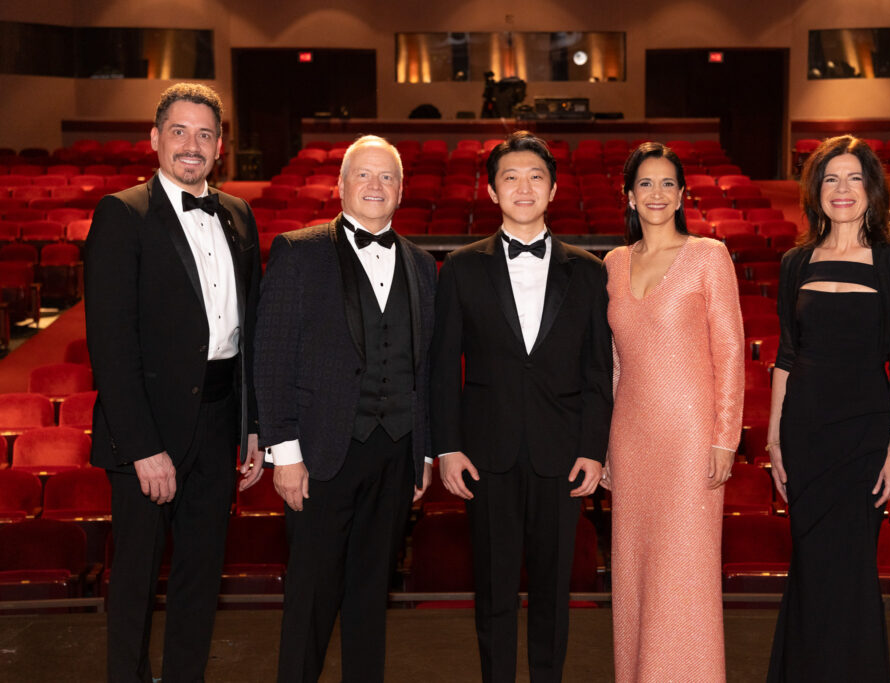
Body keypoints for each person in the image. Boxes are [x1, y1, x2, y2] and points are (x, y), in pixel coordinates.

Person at [84, 83, 263, 682]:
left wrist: (253, 427)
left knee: (200, 573)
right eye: (180, 132)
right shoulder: (121, 213)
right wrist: (142, 447)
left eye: (205, 134)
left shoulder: (238, 214)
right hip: (148, 429)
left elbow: (250, 335)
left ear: (220, 147)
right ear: (155, 139)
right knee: (134, 577)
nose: (192, 146)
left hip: (218, 423)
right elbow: (110, 345)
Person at [430, 130, 613, 683]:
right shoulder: (460, 267)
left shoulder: (589, 270)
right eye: (510, 176)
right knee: (493, 591)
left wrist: (593, 449)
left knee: (556, 591)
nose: (524, 186)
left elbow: (597, 372)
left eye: (536, 175)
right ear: (491, 192)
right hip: (486, 454)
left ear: (553, 189)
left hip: (562, 456)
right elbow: (442, 367)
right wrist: (447, 447)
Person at [254, 135, 436, 683]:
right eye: (364, 175)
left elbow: (423, 369)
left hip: (395, 453)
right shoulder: (298, 251)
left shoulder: (424, 266)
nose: (375, 186)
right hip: (318, 455)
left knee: (369, 596)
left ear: (401, 191)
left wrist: (422, 453)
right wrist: (283, 454)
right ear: (340, 185)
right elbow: (271, 356)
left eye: (387, 178)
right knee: (311, 596)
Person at [766, 135, 890, 681]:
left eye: (854, 178)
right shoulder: (795, 261)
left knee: (852, 567)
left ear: (872, 190)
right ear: (816, 191)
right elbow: (786, 355)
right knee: (808, 565)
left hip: (864, 434)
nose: (843, 189)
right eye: (831, 178)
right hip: (805, 434)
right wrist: (774, 440)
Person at [601, 142, 745, 682]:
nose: (656, 194)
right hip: (631, 438)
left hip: (691, 438)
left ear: (683, 194)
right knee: (635, 572)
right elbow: (615, 360)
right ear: (629, 196)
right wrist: (607, 447)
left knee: (685, 571)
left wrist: (724, 438)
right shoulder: (614, 263)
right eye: (645, 184)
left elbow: (730, 351)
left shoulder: (709, 256)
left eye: (667, 184)